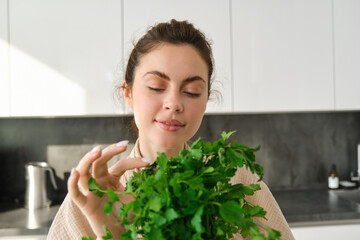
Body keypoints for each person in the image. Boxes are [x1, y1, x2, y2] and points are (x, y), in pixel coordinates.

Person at [47, 19, 294, 240]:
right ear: (128, 93)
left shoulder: (236, 180)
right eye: (156, 86)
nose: (174, 103)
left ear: (206, 99)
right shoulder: (92, 199)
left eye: (192, 92)